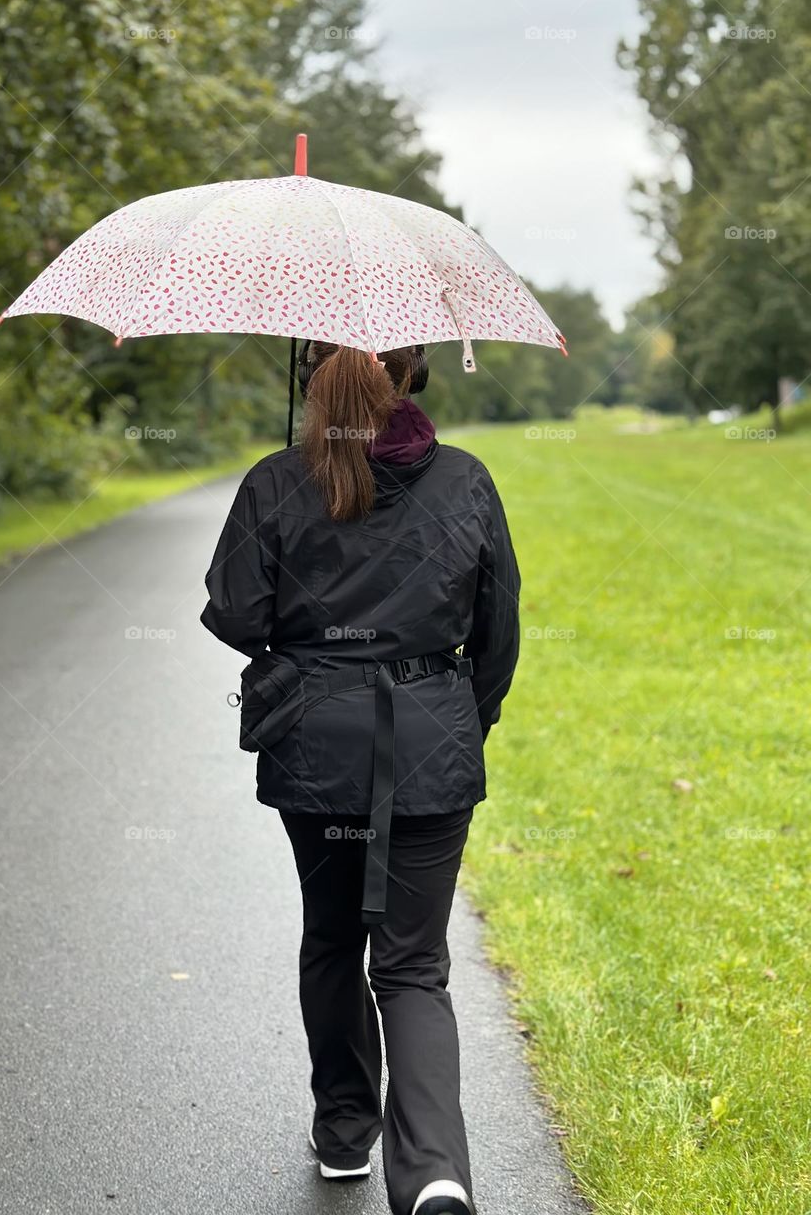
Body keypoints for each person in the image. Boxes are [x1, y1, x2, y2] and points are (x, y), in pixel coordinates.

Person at [199, 340, 521, 1215]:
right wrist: (461, 719)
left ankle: (345, 1133)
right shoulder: (466, 480)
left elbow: (233, 614)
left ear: (313, 379)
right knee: (414, 966)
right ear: (414, 373)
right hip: (432, 747)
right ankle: (436, 1176)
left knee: (335, 936)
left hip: (316, 751)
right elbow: (498, 635)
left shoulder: (276, 479)